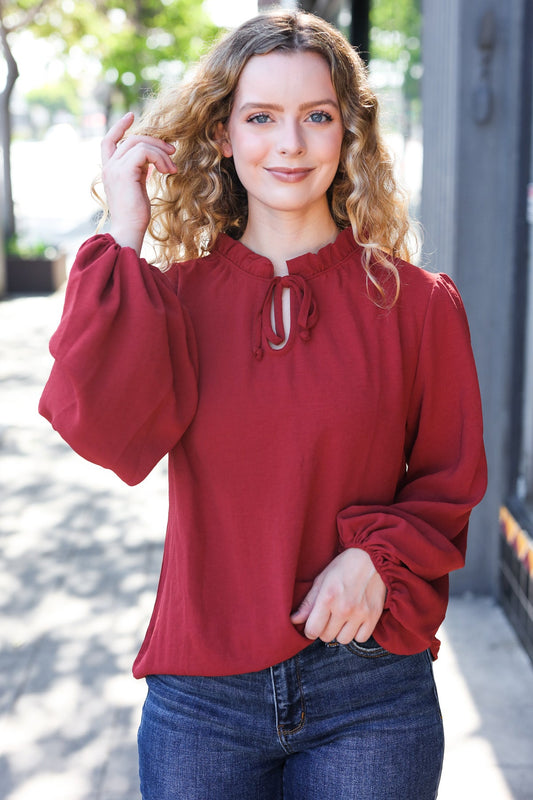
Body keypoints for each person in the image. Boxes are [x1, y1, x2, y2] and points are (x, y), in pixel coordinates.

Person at [39, 9, 487, 800]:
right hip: (200, 696)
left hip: (371, 687)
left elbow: (451, 480)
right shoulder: (171, 302)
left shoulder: (417, 305)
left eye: (316, 116)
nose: (289, 143)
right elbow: (103, 432)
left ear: (347, 132)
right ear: (222, 135)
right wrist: (125, 233)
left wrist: (377, 560)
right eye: (260, 117)